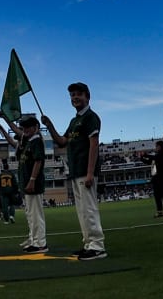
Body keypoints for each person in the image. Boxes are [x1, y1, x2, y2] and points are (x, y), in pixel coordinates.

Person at [42, 82, 107, 260]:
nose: (75, 98)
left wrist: (90, 172)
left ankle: (97, 246)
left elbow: (94, 145)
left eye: (79, 94)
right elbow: (62, 141)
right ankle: (88, 243)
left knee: (90, 209)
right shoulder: (74, 121)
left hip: (85, 171)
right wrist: (49, 125)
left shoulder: (91, 117)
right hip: (75, 171)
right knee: (82, 211)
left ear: (87, 96)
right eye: (72, 95)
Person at [0, 115, 48, 253]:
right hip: (26, 183)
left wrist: (32, 180)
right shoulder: (28, 142)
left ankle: (40, 243)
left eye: (28, 127)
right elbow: (13, 140)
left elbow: (38, 161)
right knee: (30, 214)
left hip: (33, 184)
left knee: (36, 214)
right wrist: (3, 126)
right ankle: (34, 239)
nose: (24, 130)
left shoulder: (36, 141)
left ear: (35, 128)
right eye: (23, 127)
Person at [142, 140, 163, 218]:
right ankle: (159, 211)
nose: (155, 147)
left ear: (160, 146)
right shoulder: (156, 155)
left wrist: (146, 155)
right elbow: (149, 162)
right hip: (156, 177)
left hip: (162, 177)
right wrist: (141, 158)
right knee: (157, 195)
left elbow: (155, 158)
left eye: (157, 146)